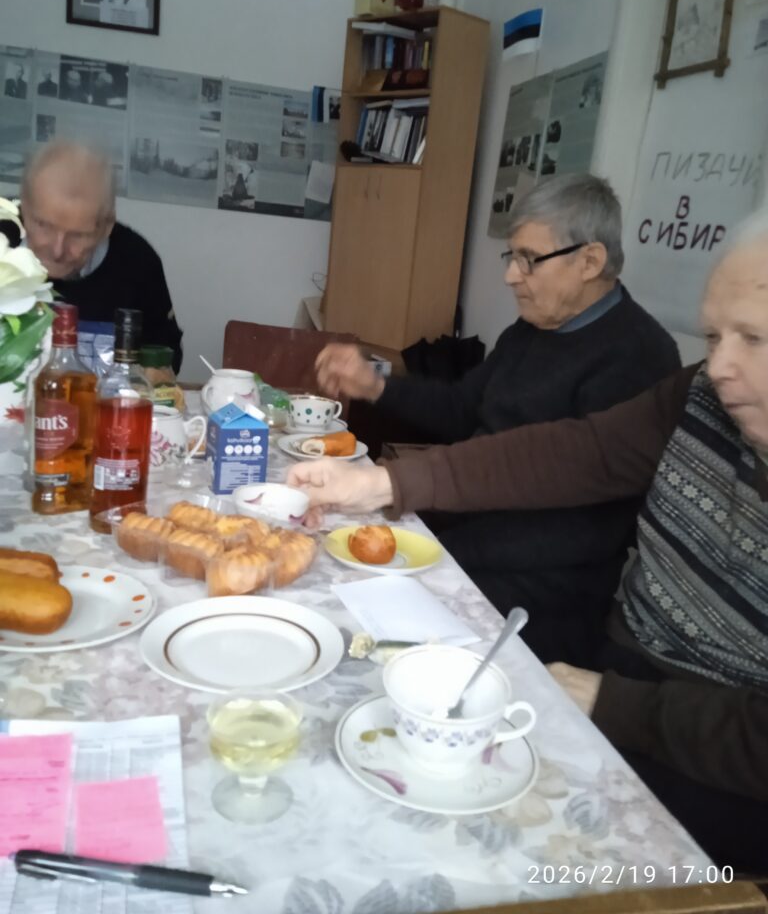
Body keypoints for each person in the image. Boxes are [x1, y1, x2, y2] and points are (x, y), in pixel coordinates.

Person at [287, 210, 768, 872]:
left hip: (707, 754)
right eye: (713, 336)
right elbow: (575, 452)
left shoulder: (636, 352)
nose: (720, 366)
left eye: (754, 338)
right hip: (618, 664)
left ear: (590, 260)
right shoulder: (695, 393)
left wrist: (613, 704)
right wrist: (385, 483)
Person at [315, 174, 680, 665]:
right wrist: (376, 385)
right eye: (512, 256)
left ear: (590, 261)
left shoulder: (640, 356)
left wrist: (444, 554)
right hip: (469, 539)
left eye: (529, 259)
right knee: (332, 571)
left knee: (364, 635)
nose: (511, 275)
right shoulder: (529, 331)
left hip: (545, 590)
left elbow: (586, 524)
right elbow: (462, 410)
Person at [9, 141, 182, 371]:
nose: (58, 250)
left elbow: (165, 361)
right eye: (43, 225)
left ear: (106, 226)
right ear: (24, 206)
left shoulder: (138, 263)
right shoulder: (3, 235)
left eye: (78, 235)